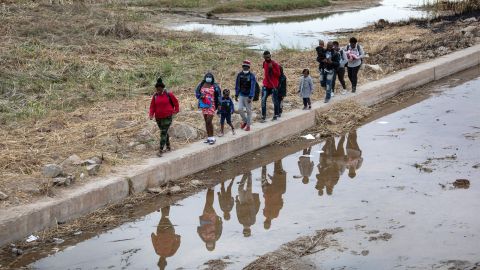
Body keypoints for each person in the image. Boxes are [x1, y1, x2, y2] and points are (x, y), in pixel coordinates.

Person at [149, 77, 180, 157]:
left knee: (163, 132)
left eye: (159, 89)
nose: (158, 91)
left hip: (167, 117)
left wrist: (176, 110)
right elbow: (152, 106)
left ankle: (161, 149)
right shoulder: (155, 96)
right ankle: (168, 146)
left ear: (162, 88)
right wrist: (151, 114)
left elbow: (176, 102)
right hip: (158, 118)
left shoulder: (169, 94)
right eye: (157, 89)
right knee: (164, 132)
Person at [195, 72, 221, 145]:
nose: (208, 78)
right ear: (205, 77)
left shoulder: (215, 86)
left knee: (209, 121)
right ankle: (209, 137)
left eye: (210, 77)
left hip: (211, 105)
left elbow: (219, 95)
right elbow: (197, 93)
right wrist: (200, 96)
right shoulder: (201, 85)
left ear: (212, 78)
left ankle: (212, 137)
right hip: (204, 105)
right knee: (206, 121)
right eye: (207, 76)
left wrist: (219, 104)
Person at [261, 160, 286, 230]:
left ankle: (277, 162)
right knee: (263, 180)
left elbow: (280, 204)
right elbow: (266, 203)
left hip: (276, 192)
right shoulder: (265, 214)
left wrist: (279, 197)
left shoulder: (276, 215)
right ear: (265, 222)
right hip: (268, 193)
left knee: (277, 174)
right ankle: (264, 165)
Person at [235, 172, 260, 237]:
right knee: (246, 188)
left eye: (244, 231)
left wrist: (237, 202)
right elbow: (252, 211)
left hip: (243, 202)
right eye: (246, 230)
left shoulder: (241, 221)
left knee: (241, 189)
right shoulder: (252, 221)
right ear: (249, 230)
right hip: (248, 202)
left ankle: (246, 175)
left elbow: (238, 211)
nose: (245, 229)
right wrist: (238, 202)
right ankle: (248, 175)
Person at [235, 60, 256, 131]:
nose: (245, 68)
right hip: (241, 94)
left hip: (248, 96)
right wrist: (236, 94)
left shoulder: (252, 75)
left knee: (248, 111)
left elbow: (253, 86)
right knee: (240, 109)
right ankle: (246, 121)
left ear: (249, 67)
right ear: (242, 66)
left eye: (247, 66)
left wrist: (250, 96)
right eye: (244, 66)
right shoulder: (239, 74)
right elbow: (237, 85)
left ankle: (248, 126)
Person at [261, 51, 281, 122]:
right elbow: (265, 72)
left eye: (269, 57)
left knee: (274, 100)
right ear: (264, 57)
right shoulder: (264, 63)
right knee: (263, 100)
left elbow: (278, 74)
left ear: (270, 56)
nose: (268, 58)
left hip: (273, 85)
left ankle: (276, 115)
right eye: (266, 57)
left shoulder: (275, 64)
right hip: (266, 84)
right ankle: (263, 116)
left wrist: (272, 69)